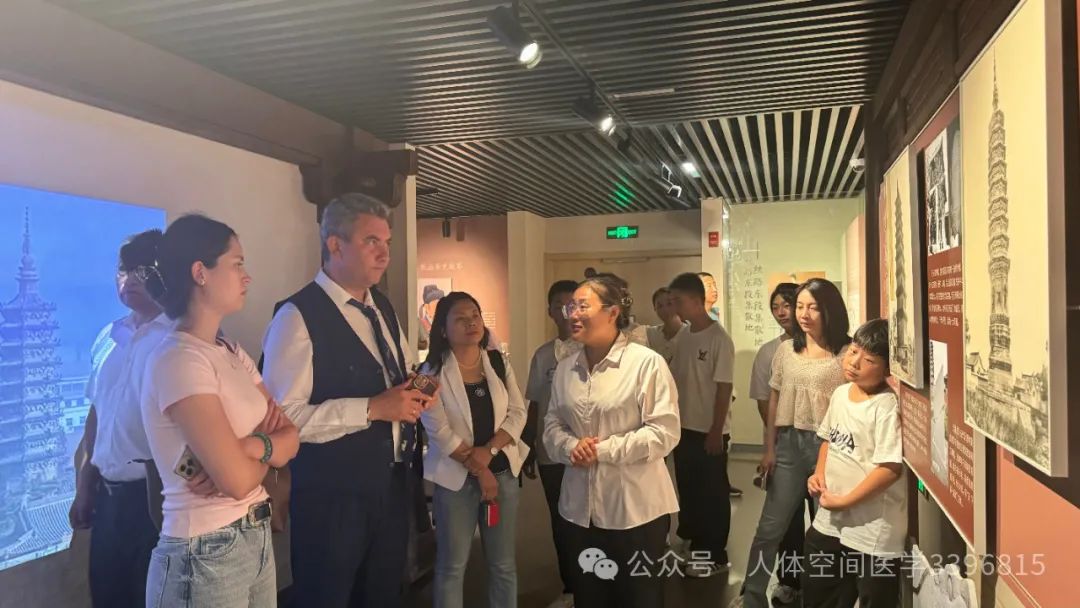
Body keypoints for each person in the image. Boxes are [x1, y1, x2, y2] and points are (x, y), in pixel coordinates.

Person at [261, 193, 435, 607]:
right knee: (328, 596)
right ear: (335, 245)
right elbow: (284, 420)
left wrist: (422, 388)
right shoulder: (296, 317)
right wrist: (372, 408)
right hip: (331, 499)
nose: (384, 253)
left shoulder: (383, 308)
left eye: (387, 242)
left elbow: (404, 371)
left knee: (382, 595)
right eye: (371, 241)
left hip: (392, 487)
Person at [140, 214, 300, 606]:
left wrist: (246, 448)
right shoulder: (179, 359)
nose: (247, 276)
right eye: (237, 263)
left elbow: (291, 436)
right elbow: (236, 481)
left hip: (253, 536)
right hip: (203, 552)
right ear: (200, 273)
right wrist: (263, 450)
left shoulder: (229, 350)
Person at [544, 274, 680, 608]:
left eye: (583, 306)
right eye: (570, 307)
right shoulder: (566, 368)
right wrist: (570, 447)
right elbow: (552, 424)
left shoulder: (644, 363)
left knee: (639, 598)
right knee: (590, 596)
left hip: (635, 509)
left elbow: (663, 432)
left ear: (612, 312)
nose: (573, 314)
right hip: (580, 509)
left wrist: (601, 451)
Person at [731, 278, 851, 608]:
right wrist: (769, 448)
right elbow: (774, 397)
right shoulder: (786, 350)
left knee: (828, 532)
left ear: (830, 309)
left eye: (813, 307)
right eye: (800, 306)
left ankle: (824, 599)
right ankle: (752, 596)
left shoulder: (846, 352)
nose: (803, 314)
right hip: (788, 446)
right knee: (770, 528)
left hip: (832, 450)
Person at [69, 230, 167, 608]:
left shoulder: (178, 340)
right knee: (108, 595)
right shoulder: (108, 337)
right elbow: (98, 413)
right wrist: (85, 483)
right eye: (123, 270)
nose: (129, 279)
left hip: (157, 500)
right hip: (109, 499)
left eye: (141, 270)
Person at [419, 292, 528, 608]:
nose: (471, 323)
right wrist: (481, 471)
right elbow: (438, 431)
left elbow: (518, 413)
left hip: (502, 475)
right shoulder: (428, 372)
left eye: (475, 316)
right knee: (451, 567)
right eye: (461, 318)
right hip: (455, 481)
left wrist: (489, 452)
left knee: (503, 564)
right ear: (443, 329)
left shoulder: (497, 361)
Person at [804, 319, 906, 607]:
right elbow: (829, 439)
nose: (854, 362)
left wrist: (845, 501)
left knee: (875, 597)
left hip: (872, 531)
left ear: (888, 369)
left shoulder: (885, 406)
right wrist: (819, 474)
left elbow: (889, 469)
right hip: (831, 519)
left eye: (869, 360)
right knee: (819, 591)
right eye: (853, 351)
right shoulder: (840, 394)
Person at [667, 273, 735, 577]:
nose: (674, 307)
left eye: (678, 301)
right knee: (690, 490)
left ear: (696, 301)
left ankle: (715, 555)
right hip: (684, 428)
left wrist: (716, 430)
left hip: (710, 431)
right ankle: (695, 544)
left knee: (713, 495)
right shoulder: (684, 335)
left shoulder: (719, 339)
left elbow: (723, 388)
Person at [523, 279, 581, 608]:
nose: (567, 311)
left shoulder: (592, 350)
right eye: (560, 305)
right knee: (561, 521)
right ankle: (571, 587)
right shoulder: (544, 355)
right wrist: (529, 443)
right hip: (551, 452)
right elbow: (534, 402)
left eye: (573, 304)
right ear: (550, 312)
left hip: (586, 452)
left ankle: (598, 585)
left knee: (591, 520)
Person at [748, 282, 806, 606]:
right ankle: (788, 581)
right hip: (785, 442)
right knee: (784, 522)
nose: (782, 312)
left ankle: (821, 584)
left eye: (788, 305)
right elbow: (764, 400)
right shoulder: (773, 351)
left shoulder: (832, 347)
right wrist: (773, 441)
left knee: (824, 524)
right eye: (776, 306)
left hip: (822, 445)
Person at [645, 287, 683, 363]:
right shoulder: (651, 333)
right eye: (660, 306)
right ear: (655, 308)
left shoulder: (690, 333)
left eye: (669, 304)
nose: (665, 309)